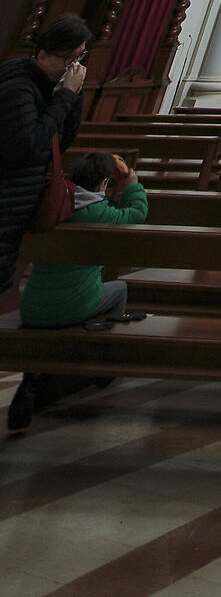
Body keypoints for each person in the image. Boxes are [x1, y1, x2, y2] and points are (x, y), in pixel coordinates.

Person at [9, 150, 146, 434]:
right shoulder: (99, 213)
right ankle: (102, 363)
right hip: (75, 306)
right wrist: (132, 186)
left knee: (63, 291)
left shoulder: (53, 205)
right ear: (103, 184)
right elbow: (136, 215)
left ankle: (34, 378)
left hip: (33, 306)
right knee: (119, 289)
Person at [0, 14, 89, 295]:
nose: (71, 66)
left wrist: (73, 96)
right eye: (67, 59)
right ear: (42, 53)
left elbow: (59, 142)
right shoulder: (19, 88)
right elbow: (31, 144)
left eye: (78, 58)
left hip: (14, 208)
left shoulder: (45, 86)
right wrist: (65, 96)